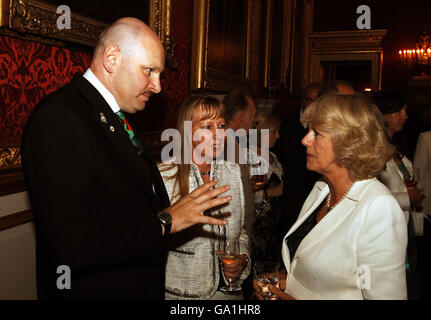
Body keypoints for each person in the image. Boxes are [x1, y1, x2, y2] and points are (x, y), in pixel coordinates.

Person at [21, 18, 231, 299]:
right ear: (112, 58)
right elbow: (73, 246)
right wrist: (166, 221)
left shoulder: (114, 116)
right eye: (149, 71)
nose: (157, 86)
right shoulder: (60, 118)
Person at [255, 94, 408, 300]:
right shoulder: (322, 188)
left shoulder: (378, 208)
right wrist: (287, 279)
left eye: (316, 133)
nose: (304, 140)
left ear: (348, 142)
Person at [158, 95, 250, 300]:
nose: (218, 135)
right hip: (182, 297)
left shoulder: (233, 172)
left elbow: (241, 232)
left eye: (222, 125)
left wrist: (242, 259)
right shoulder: (164, 176)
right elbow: (148, 239)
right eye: (207, 127)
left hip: (230, 295)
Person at [375, 89, 425, 223]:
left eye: (405, 111)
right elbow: (369, 197)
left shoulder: (396, 147)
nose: (404, 116)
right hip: (385, 224)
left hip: (404, 222)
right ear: (383, 114)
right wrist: (407, 198)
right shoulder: (373, 151)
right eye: (398, 111)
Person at [250, 111, 283, 267]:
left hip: (275, 227)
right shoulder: (249, 156)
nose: (278, 136)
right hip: (257, 228)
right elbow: (245, 194)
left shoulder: (274, 157)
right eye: (274, 131)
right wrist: (272, 192)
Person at [223, 88, 256, 240]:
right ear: (242, 117)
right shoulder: (223, 145)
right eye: (253, 114)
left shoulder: (236, 142)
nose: (254, 120)